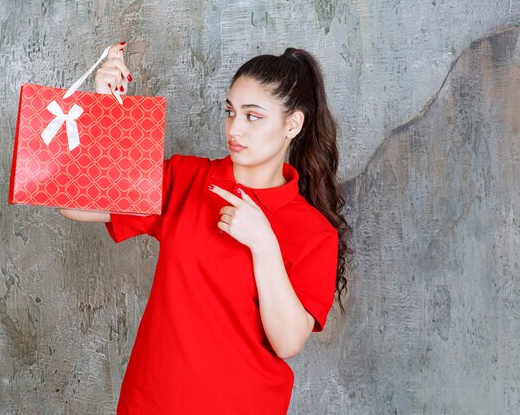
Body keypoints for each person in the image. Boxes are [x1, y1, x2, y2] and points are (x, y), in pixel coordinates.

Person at [60, 42, 349, 415]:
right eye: (230, 112)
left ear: (292, 124)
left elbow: (288, 342)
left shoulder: (313, 232)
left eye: (253, 116)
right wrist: (104, 111)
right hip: (151, 403)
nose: (235, 129)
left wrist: (263, 243)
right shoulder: (186, 179)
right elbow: (72, 203)